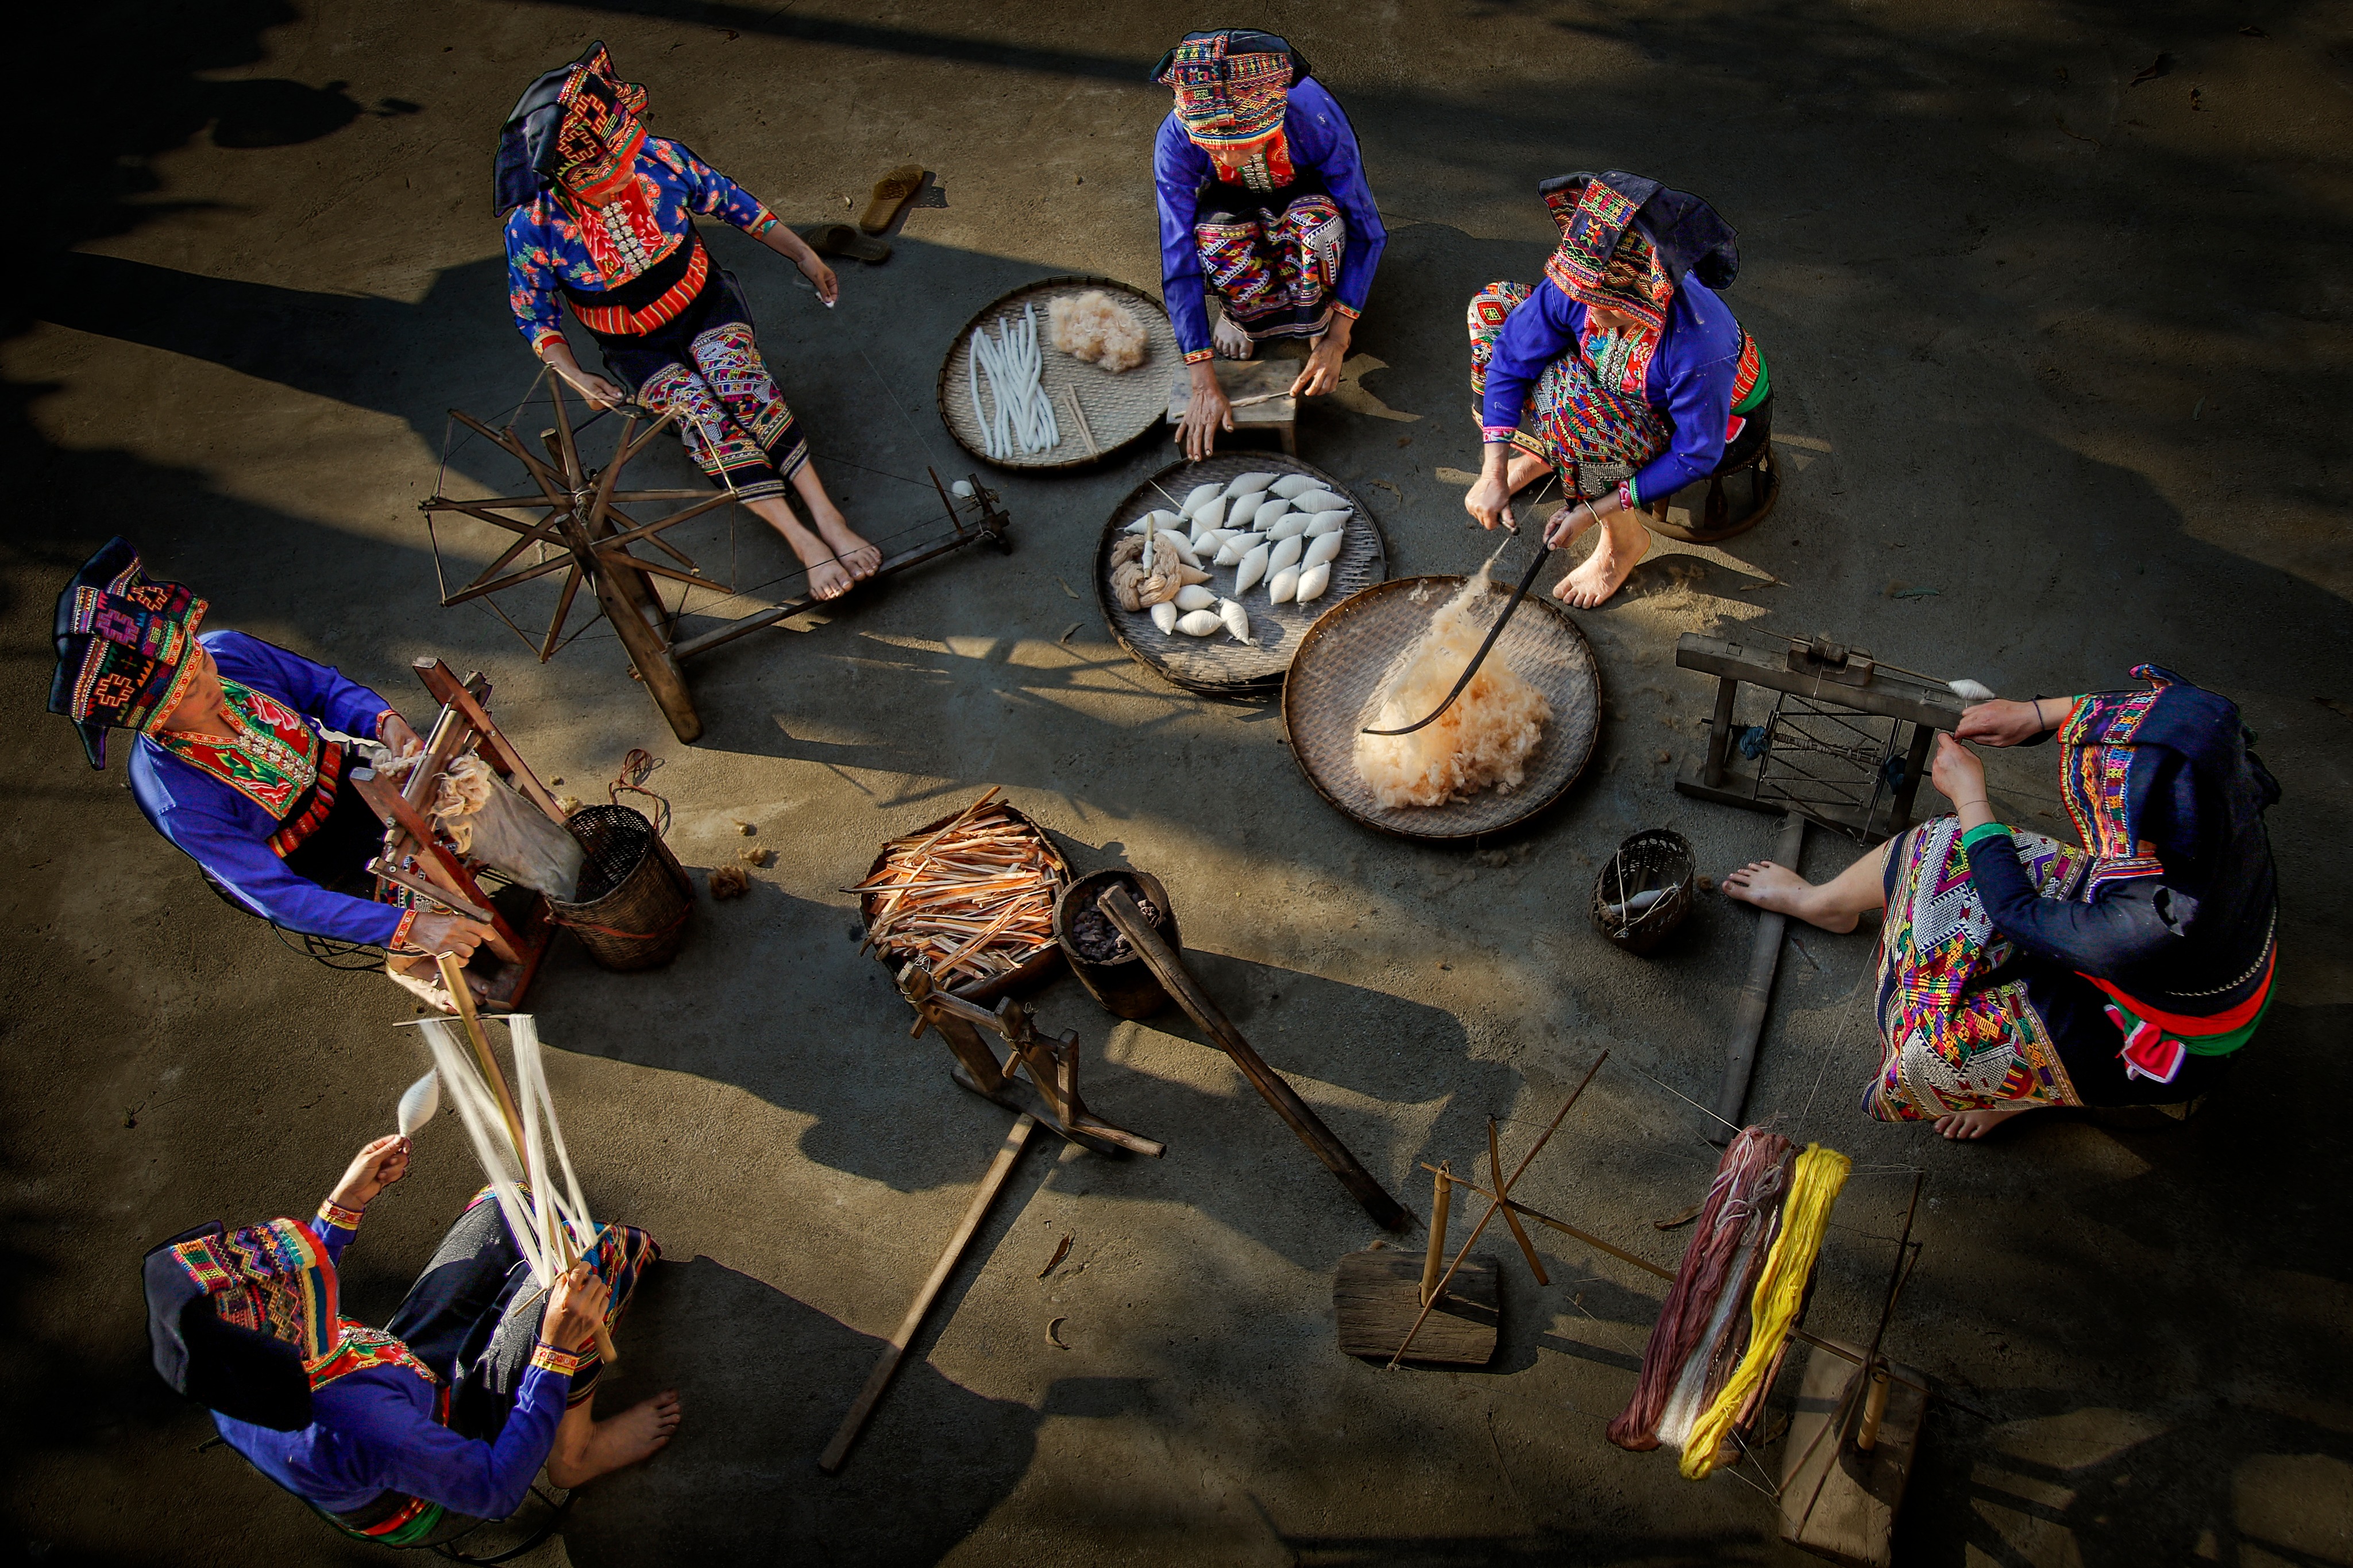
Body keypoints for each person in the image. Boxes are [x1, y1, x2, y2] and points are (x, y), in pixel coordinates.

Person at [1722, 667, 2280, 1139]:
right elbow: (2167, 713)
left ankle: (2018, 1091)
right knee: (1955, 847)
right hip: (2192, 965)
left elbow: (2019, 914)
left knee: (1931, 1035)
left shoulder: (2145, 922)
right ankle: (1826, 902)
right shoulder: (2220, 787)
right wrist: (2036, 716)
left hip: (2143, 1036)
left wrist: (1970, 797)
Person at [143, 1134, 672, 1546]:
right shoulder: (359, 1424)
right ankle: (575, 1453)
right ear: (293, 1329)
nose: (310, 1266)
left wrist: (342, 1206)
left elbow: (296, 1292)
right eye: (301, 1287)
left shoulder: (233, 1365)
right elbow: (495, 1490)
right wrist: (553, 1352)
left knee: (507, 1205)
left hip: (397, 1375)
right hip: (437, 1456)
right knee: (581, 1271)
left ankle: (523, 1336)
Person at [496, 43, 879, 601]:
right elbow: (534, 311)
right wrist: (576, 376)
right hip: (635, 348)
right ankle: (801, 541)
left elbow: (732, 204)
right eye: (593, 168)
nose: (612, 173)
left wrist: (803, 254)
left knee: (738, 382)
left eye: (615, 158)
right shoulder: (534, 225)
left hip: (704, 305)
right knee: (701, 417)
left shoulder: (658, 159)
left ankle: (828, 517)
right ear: (562, 175)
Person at [47, 538, 497, 999]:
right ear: (153, 717)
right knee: (431, 910)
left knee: (468, 809)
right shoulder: (175, 797)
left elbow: (322, 689)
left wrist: (388, 725)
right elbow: (275, 893)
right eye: (188, 693)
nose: (210, 682)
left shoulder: (228, 652)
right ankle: (407, 963)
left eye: (200, 663)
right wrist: (411, 928)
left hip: (347, 781)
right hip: (304, 856)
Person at [1465, 171, 1770, 607]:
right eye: (1579, 293)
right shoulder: (1585, 283)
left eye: (1601, 302)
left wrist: (1592, 512)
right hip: (1609, 387)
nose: (1584, 309)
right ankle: (1546, 455)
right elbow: (1514, 351)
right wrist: (1492, 471)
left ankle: (1622, 541)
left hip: (1709, 425)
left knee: (1580, 421)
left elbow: (1696, 451)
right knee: (1493, 310)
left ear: (1643, 294)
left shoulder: (1699, 345)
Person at [1152, 29, 1386, 459]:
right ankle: (1241, 314)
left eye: (1239, 146)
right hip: (1227, 207)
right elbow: (1178, 252)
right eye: (1212, 148)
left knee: (1316, 226)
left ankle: (1316, 314)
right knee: (1215, 238)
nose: (1226, 159)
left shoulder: (1313, 117)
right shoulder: (1175, 139)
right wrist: (1203, 379)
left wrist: (1337, 339)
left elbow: (1367, 229)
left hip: (1306, 196)